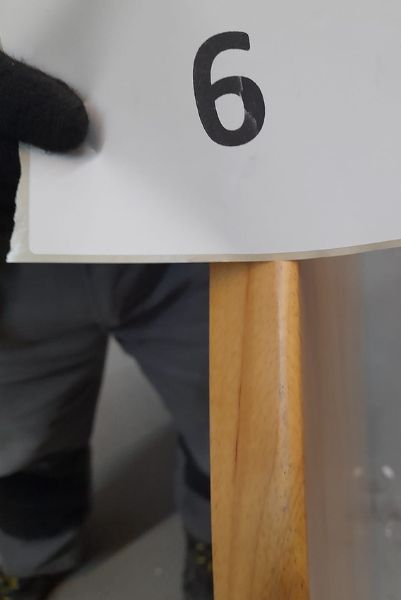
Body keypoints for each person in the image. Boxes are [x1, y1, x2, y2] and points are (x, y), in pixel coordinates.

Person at [0, 51, 213, 599]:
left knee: (227, 411)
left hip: (198, 205)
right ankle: (36, 547)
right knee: (17, 436)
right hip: (10, 259)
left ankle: (218, 532)